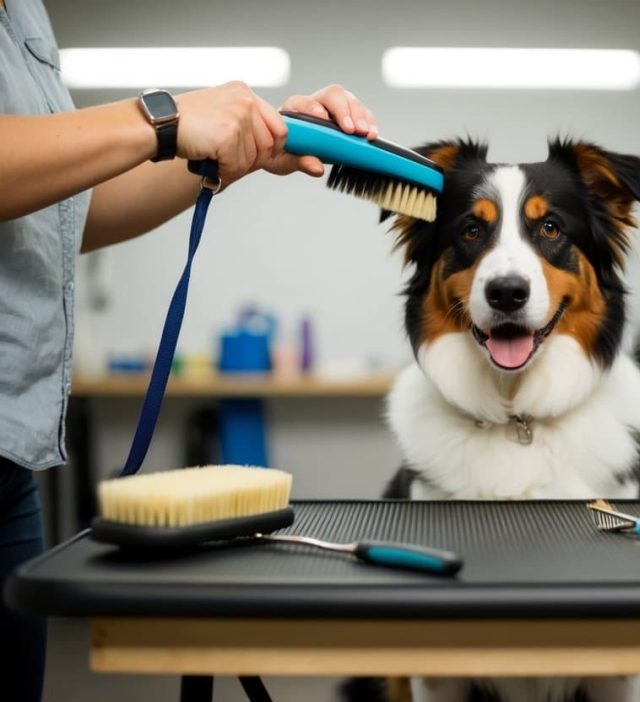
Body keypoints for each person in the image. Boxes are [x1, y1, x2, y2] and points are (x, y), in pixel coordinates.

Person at [0, 1, 379, 699]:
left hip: (9, 450)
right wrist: (162, 119)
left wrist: (247, 147)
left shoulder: (24, 15)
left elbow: (70, 209)